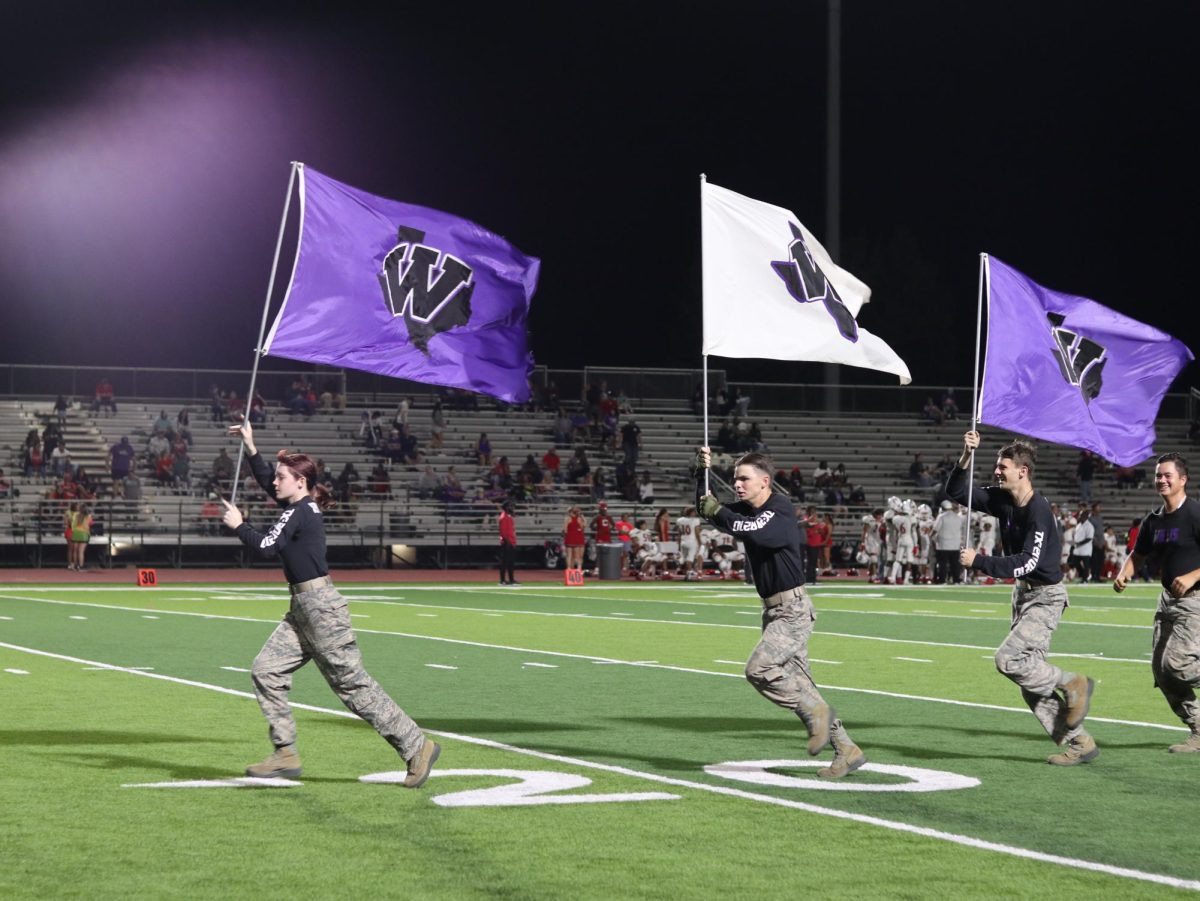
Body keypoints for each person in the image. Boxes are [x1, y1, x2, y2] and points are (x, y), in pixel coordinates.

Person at [220, 418, 439, 786]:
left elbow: (265, 547)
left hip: (320, 610)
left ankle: (417, 746)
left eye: (281, 477)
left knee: (352, 686)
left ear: (300, 482)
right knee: (266, 670)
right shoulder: (298, 507)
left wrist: (240, 524)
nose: (274, 483)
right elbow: (266, 485)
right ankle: (284, 752)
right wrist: (252, 446)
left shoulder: (299, 511)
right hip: (303, 610)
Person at [696, 446, 866, 779]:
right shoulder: (747, 510)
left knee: (759, 669)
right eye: (734, 479)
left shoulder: (779, 509)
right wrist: (698, 474)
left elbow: (751, 529)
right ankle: (846, 749)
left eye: (744, 479)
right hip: (774, 611)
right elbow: (709, 510)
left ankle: (815, 716)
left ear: (765, 482)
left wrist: (719, 512)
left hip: (792, 610)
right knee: (803, 684)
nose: (738, 485)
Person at [947, 431, 1098, 765]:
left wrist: (980, 562)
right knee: (1029, 682)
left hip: (1045, 597)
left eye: (1003, 467)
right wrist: (965, 455)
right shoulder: (1003, 499)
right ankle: (1079, 743)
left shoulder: (1038, 510)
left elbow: (1028, 561)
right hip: (1024, 595)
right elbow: (957, 491)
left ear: (1022, 471)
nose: (997, 472)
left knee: (1008, 661)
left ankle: (1073, 683)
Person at [1114, 453, 1200, 752]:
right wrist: (1124, 573)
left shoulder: (1195, 514)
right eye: (1158, 475)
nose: (1161, 480)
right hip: (1167, 603)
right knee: (1162, 672)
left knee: (1176, 665)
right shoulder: (1153, 520)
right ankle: (1198, 731)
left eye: (1167, 475)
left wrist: (1192, 576)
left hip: (1195, 600)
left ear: (1183, 479)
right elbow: (1138, 555)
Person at [676, 506, 704, 580]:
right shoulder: (695, 520)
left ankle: (687, 573)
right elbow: (697, 533)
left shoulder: (679, 520)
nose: (695, 513)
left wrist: (678, 544)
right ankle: (689, 574)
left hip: (683, 541)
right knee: (690, 559)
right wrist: (700, 543)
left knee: (685, 559)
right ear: (691, 513)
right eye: (693, 512)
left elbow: (679, 533)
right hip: (692, 541)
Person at [498, 500, 519, 586]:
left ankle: (511, 579)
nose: (512, 508)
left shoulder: (508, 516)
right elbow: (503, 532)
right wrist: (508, 542)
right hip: (507, 542)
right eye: (510, 506)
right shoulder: (504, 517)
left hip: (511, 542)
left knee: (510, 562)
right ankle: (502, 580)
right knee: (505, 562)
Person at [562, 506, 586, 570]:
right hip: (576, 538)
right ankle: (577, 568)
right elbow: (583, 527)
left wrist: (565, 537)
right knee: (576, 555)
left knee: (570, 555)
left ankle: (570, 568)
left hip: (571, 538)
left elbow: (564, 530)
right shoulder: (578, 519)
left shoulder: (568, 519)